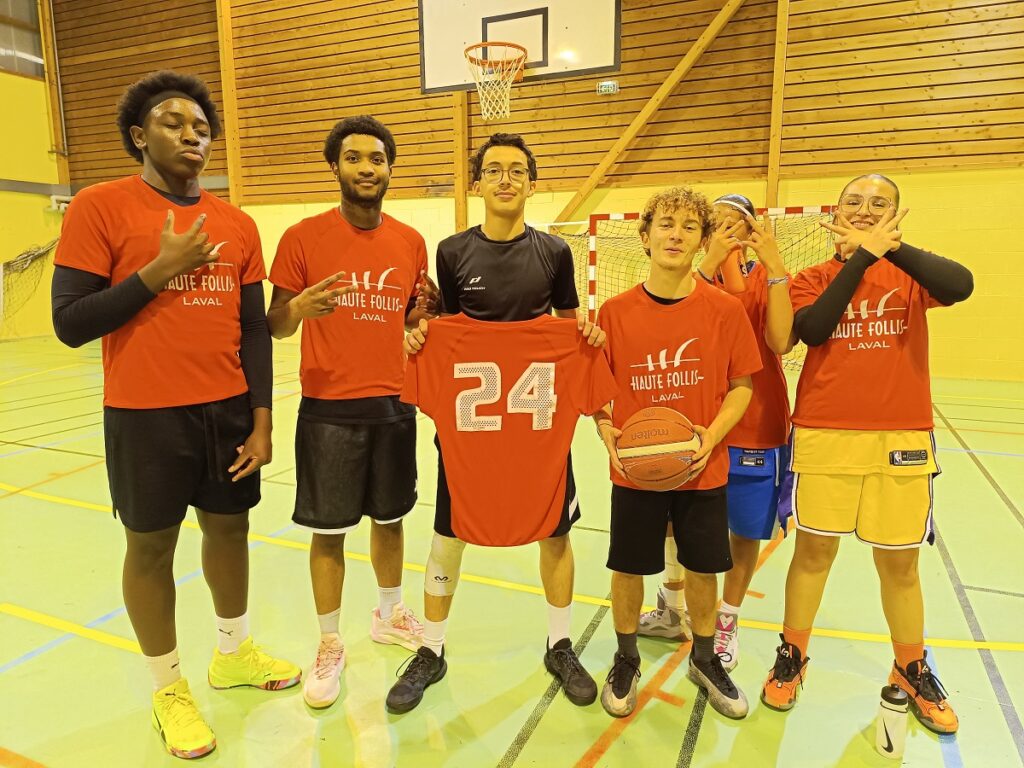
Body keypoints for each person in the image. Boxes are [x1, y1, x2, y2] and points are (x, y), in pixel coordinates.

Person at [50, 71, 299, 760]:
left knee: (230, 531)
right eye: (173, 121)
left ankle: (232, 653)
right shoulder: (100, 208)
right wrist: (157, 272)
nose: (193, 133)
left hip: (226, 411)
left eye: (202, 125)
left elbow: (253, 328)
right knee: (151, 548)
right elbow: (70, 323)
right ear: (139, 135)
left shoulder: (237, 222)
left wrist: (262, 416)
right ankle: (168, 688)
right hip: (143, 415)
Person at [387, 132, 605, 714]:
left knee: (556, 531)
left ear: (532, 183)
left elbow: (567, 321)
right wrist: (420, 335)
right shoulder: (453, 251)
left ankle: (560, 644)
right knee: (448, 531)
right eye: (493, 170)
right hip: (472, 420)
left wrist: (584, 333)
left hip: (538, 421)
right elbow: (450, 330)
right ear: (478, 183)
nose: (505, 178)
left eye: (517, 170)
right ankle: (431, 649)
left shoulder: (554, 252)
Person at [760, 174, 973, 735]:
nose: (865, 209)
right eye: (854, 202)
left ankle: (911, 668)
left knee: (900, 563)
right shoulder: (813, 278)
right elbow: (816, 327)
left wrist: (892, 251)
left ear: (897, 215)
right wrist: (860, 259)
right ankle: (793, 654)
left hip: (900, 438)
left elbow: (963, 284)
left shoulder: (910, 276)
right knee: (812, 554)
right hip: (826, 432)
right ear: (836, 211)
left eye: (879, 204)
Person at [267, 115, 436, 709]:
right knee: (329, 531)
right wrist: (301, 309)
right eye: (355, 158)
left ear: (390, 168)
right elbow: (274, 324)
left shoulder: (411, 242)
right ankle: (330, 641)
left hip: (393, 402)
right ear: (334, 166)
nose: (368, 168)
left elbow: (413, 320)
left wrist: (425, 315)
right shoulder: (301, 237)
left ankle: (390, 615)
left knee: (390, 518)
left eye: (378, 159)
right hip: (328, 408)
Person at [594, 186, 761, 719]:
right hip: (637, 471)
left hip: (700, 465)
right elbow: (596, 391)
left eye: (689, 227)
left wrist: (712, 436)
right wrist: (605, 431)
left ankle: (706, 658)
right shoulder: (615, 313)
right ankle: (625, 657)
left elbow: (742, 386)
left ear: (703, 241)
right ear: (645, 236)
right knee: (628, 568)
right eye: (666, 224)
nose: (676, 234)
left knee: (703, 568)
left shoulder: (725, 309)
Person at [638, 194, 792, 673]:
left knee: (743, 532)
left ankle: (727, 619)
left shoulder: (766, 280)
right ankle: (673, 603)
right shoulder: (690, 277)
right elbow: (674, 311)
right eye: (716, 226)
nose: (727, 233)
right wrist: (708, 259)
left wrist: (774, 265)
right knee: (673, 520)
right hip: (691, 419)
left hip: (754, 422)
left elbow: (781, 341)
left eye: (736, 225)